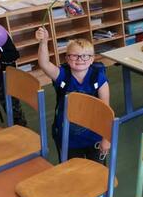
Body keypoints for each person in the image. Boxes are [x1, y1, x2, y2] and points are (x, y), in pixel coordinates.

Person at [35, 27, 110, 163]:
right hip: (66, 138)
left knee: (97, 173)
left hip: (94, 137)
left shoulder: (99, 79)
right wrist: (43, 42)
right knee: (72, 174)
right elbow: (44, 63)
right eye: (74, 55)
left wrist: (106, 138)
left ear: (92, 59)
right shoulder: (62, 75)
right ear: (67, 58)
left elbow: (106, 111)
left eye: (85, 55)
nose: (80, 59)